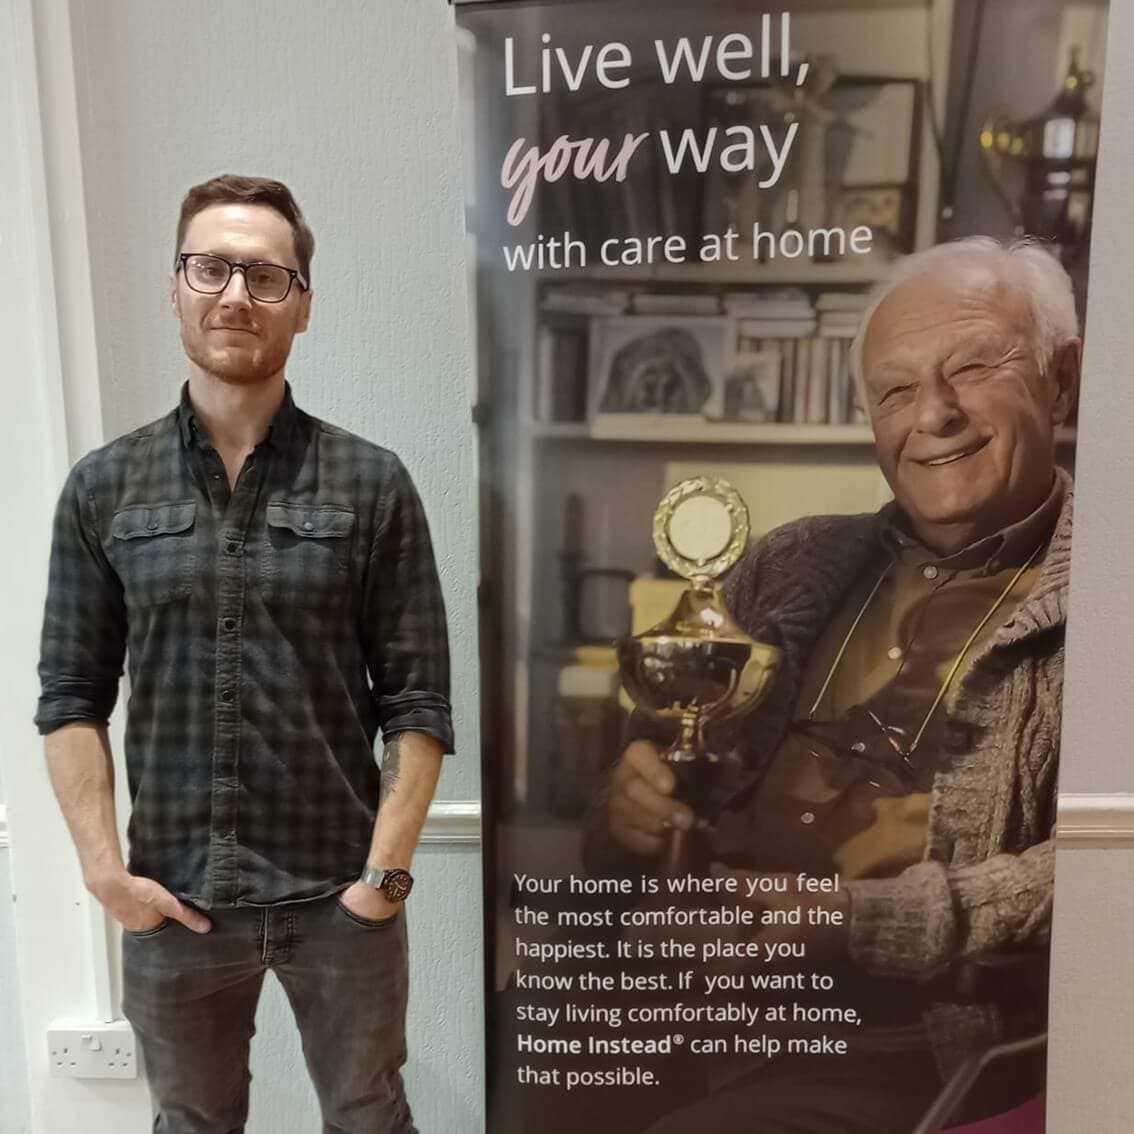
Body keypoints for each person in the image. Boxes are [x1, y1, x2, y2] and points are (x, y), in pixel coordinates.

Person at [585, 237, 1079, 1132]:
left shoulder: (1107, 595)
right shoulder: (788, 563)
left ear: (1062, 380)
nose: (934, 414)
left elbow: (1105, 874)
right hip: (684, 1005)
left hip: (902, 1044)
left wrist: (854, 919)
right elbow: (628, 814)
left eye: (973, 367)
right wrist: (629, 813)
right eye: (894, 390)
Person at [35, 174, 452, 1134]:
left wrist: (382, 882)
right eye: (211, 267)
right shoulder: (103, 488)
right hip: (173, 899)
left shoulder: (372, 482)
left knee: (367, 1114)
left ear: (302, 305)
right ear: (176, 286)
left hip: (339, 899)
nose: (235, 294)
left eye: (267, 276)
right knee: (191, 1123)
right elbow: (70, 697)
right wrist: (106, 873)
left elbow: (418, 701)